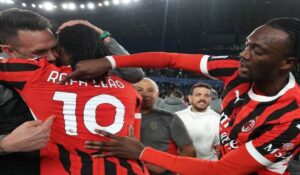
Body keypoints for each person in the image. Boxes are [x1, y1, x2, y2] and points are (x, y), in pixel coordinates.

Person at [68, 17, 300, 174]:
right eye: (247, 45)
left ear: (286, 63)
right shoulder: (236, 70)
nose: (243, 54)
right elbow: (170, 59)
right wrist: (109, 60)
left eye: (257, 50)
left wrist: (142, 152)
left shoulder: (292, 116)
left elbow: (223, 171)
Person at [0, 8, 144, 175]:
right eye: (39, 53)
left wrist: (104, 38)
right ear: (9, 51)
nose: (53, 57)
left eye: (55, 48)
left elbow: (135, 74)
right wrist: (5, 145)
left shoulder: (44, 72)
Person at [134, 78, 196, 174]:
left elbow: (190, 152)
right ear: (131, 92)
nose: (145, 94)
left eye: (150, 90)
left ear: (157, 95)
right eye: (139, 90)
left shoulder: (170, 118)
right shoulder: (121, 118)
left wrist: (166, 166)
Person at [175, 82, 220, 160]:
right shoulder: (177, 117)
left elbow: (219, 146)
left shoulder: (217, 119)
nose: (202, 98)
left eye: (206, 95)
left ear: (210, 99)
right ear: (190, 98)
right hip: (184, 165)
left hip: (209, 165)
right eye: (198, 95)